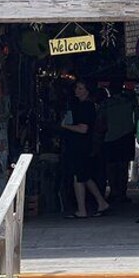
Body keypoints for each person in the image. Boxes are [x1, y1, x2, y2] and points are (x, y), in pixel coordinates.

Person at [62, 80, 110, 218]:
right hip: (82, 146)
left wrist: (65, 126)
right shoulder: (83, 105)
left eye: (81, 88)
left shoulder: (86, 107)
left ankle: (83, 209)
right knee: (84, 176)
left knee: (79, 176)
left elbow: (83, 129)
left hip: (81, 146)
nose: (77, 90)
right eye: (77, 88)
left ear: (87, 91)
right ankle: (100, 203)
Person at [100, 80, 137, 202]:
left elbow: (101, 120)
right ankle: (122, 193)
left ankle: (113, 191)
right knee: (123, 166)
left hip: (110, 137)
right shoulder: (129, 101)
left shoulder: (106, 103)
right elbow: (137, 115)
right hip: (126, 135)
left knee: (111, 167)